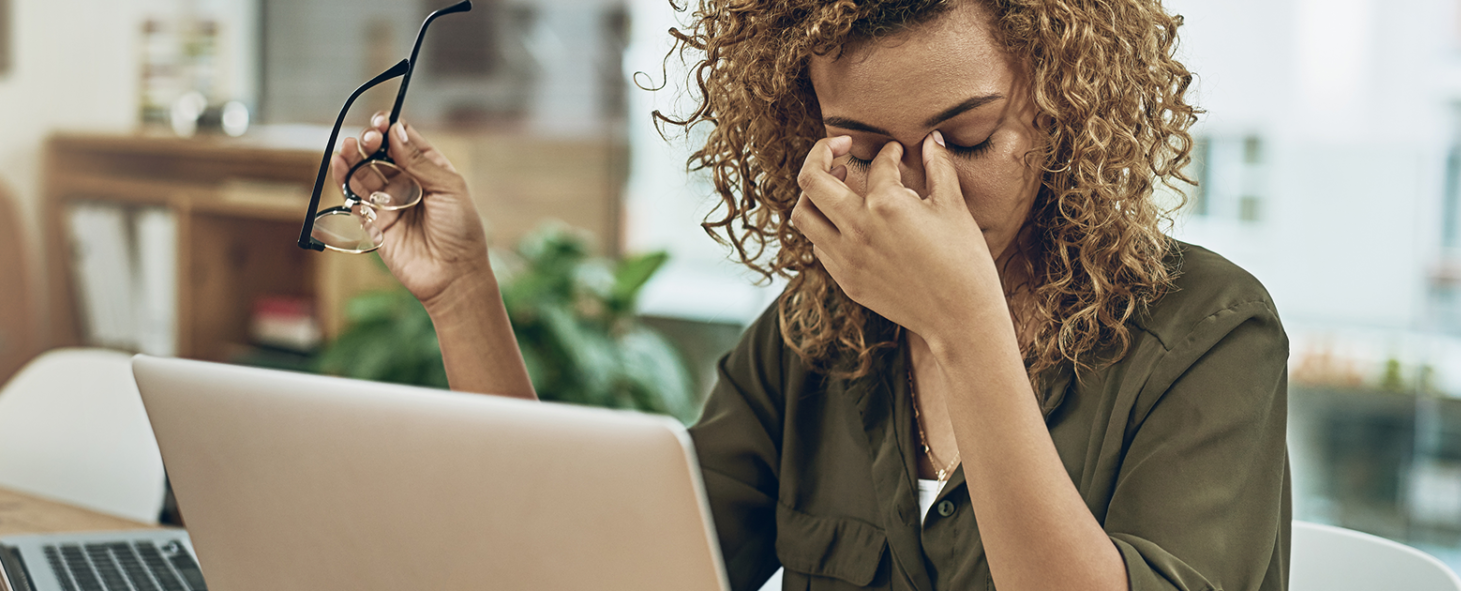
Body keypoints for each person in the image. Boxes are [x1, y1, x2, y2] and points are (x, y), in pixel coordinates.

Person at [327, 0, 1290, 589]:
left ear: (1062, 97)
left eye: (967, 138)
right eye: (862, 150)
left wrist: (965, 328)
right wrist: (462, 294)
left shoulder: (1209, 333)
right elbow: (589, 572)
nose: (915, 190)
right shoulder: (817, 334)